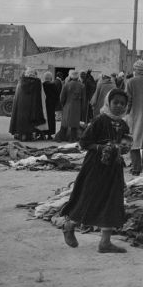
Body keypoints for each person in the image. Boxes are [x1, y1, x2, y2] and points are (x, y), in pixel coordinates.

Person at [60, 89, 132, 253]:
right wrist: (101, 148)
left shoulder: (123, 124)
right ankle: (69, 225)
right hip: (95, 166)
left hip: (113, 168)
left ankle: (105, 242)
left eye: (123, 103)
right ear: (108, 103)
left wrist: (124, 148)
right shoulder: (99, 120)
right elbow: (84, 143)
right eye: (116, 103)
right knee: (88, 197)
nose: (119, 106)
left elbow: (125, 143)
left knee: (112, 201)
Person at [9, 68, 48, 142]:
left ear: (26, 73)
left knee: (22, 120)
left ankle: (22, 135)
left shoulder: (21, 81)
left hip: (21, 105)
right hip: (33, 106)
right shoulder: (37, 82)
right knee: (31, 121)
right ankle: (29, 136)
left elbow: (17, 95)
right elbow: (42, 95)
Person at [57, 70, 87, 142]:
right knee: (74, 124)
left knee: (64, 123)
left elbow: (62, 97)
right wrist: (82, 108)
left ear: (70, 76)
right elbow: (84, 99)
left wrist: (63, 104)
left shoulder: (67, 85)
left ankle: (60, 137)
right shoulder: (82, 86)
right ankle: (72, 138)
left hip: (67, 105)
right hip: (77, 107)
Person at [41, 71, 60, 140]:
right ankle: (49, 135)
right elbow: (57, 95)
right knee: (51, 119)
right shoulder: (53, 85)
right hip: (51, 106)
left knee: (43, 119)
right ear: (51, 78)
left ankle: (42, 134)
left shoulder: (42, 85)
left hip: (43, 105)